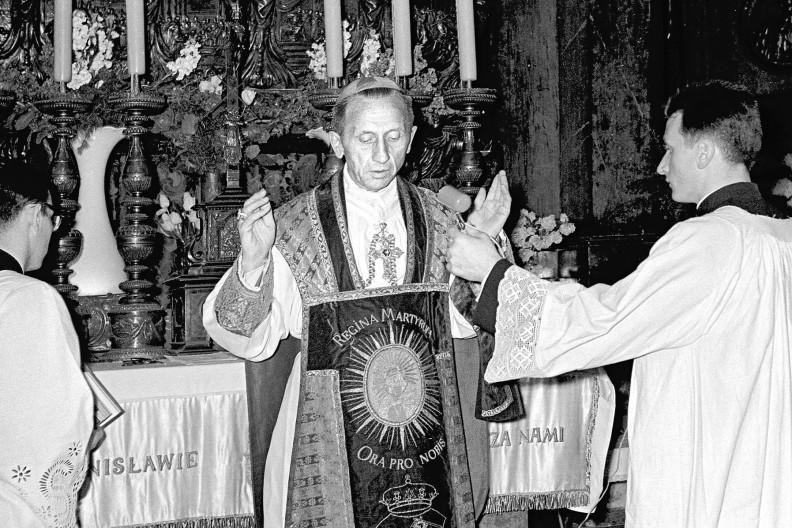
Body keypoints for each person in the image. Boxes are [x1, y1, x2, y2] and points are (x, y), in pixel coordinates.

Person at [447, 79, 792, 527]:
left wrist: (492, 273)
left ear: (704, 152)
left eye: (671, 149)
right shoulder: (781, 235)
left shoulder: (710, 240)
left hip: (712, 469)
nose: (662, 166)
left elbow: (603, 323)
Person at [203, 76, 511, 527]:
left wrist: (483, 250)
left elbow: (468, 328)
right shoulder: (293, 226)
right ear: (339, 141)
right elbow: (249, 339)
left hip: (425, 437)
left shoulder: (442, 219)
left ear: (412, 137)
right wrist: (252, 263)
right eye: (366, 138)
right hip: (323, 429)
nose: (382, 156)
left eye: (393, 137)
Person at [0, 158, 94, 527]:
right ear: (34, 213)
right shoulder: (29, 297)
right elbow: (52, 427)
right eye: (54, 219)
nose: (54, 231)